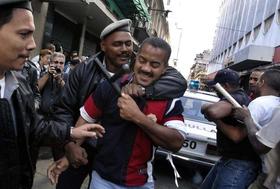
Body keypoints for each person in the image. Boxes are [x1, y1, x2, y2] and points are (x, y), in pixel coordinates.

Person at [48, 19, 188, 189]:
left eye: (128, 44)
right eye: (118, 44)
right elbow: (68, 111)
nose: (125, 49)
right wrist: (68, 147)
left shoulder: (156, 82)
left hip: (133, 174)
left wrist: (142, 97)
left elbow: (179, 82)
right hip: (86, 151)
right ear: (103, 46)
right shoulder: (84, 71)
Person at [0, 1, 107, 188]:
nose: (33, 44)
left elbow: (33, 127)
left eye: (32, 34)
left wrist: (71, 131)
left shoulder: (20, 82)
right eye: (24, 34)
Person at [200, 69, 260, 189]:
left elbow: (213, 112)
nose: (214, 90)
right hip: (229, 159)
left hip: (239, 163)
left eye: (215, 87)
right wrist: (205, 107)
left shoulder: (238, 98)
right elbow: (206, 108)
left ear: (225, 86)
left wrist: (214, 118)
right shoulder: (237, 96)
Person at [233, 69, 280, 188]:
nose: (253, 82)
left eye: (257, 79)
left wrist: (247, 118)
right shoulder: (276, 103)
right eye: (251, 78)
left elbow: (260, 146)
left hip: (271, 176)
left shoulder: (259, 103)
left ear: (262, 82)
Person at [39, 52, 68, 118]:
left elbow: (68, 93)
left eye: (61, 63)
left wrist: (59, 79)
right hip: (42, 115)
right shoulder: (44, 74)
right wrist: (48, 74)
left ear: (64, 65)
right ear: (50, 63)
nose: (58, 65)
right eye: (56, 62)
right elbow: (37, 88)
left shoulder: (67, 77)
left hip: (58, 116)